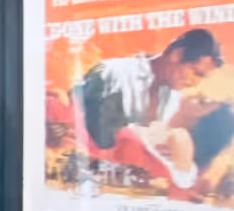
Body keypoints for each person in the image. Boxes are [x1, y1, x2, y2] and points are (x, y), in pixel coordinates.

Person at [75, 28, 224, 189]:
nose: (195, 82)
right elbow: (84, 130)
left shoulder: (173, 96)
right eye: (196, 72)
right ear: (177, 55)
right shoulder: (111, 73)